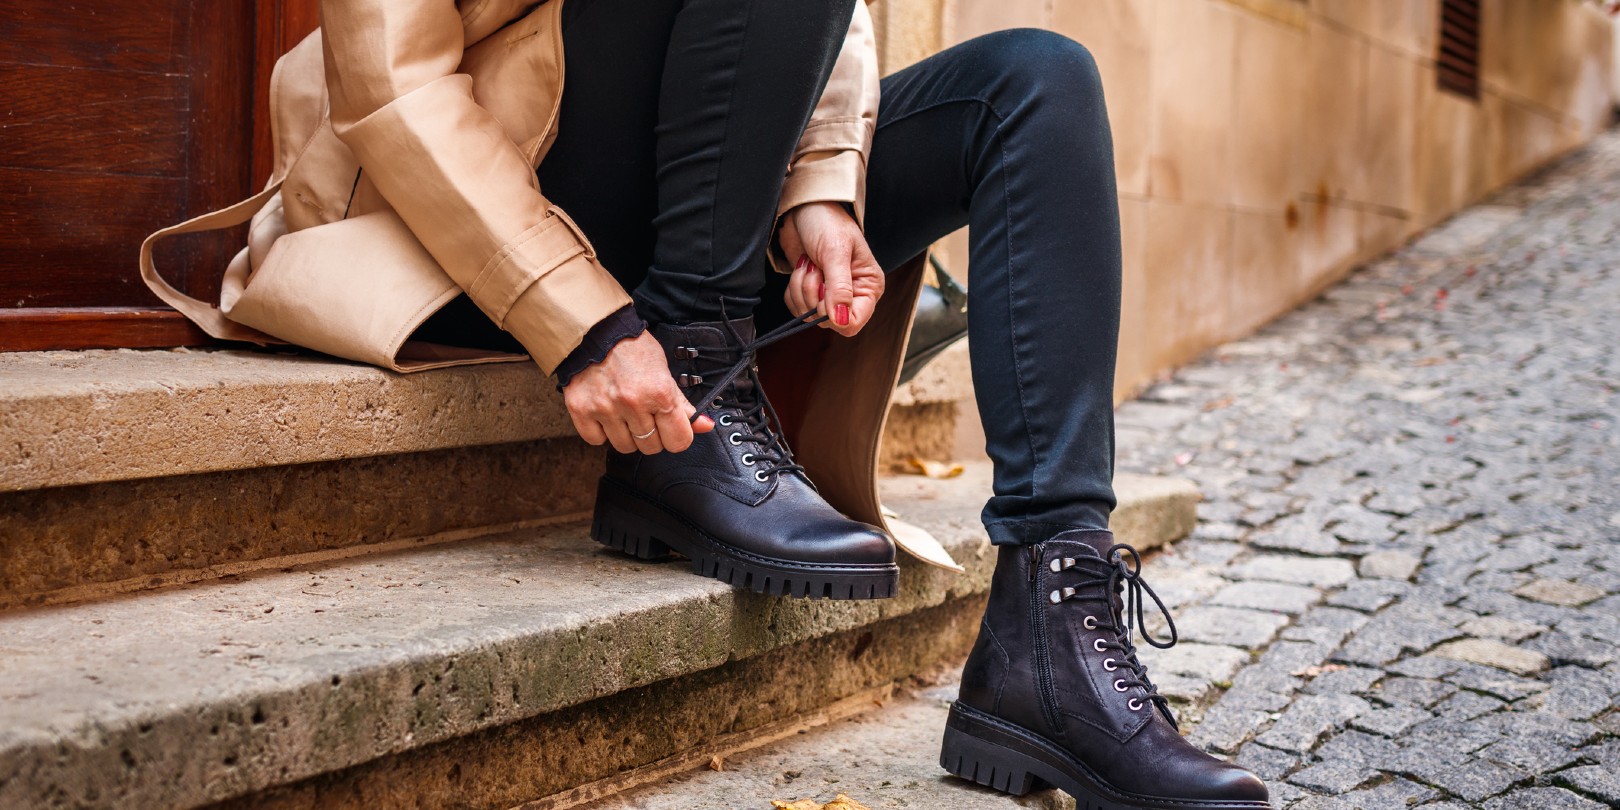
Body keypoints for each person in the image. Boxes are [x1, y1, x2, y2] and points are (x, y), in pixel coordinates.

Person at [147, 0, 1269, 806]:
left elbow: (823, 31)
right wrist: (581, 321)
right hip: (465, 216)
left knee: (1036, 80)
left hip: (695, 189)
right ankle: (692, 371)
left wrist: (819, 193)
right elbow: (391, 83)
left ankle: (1051, 627)